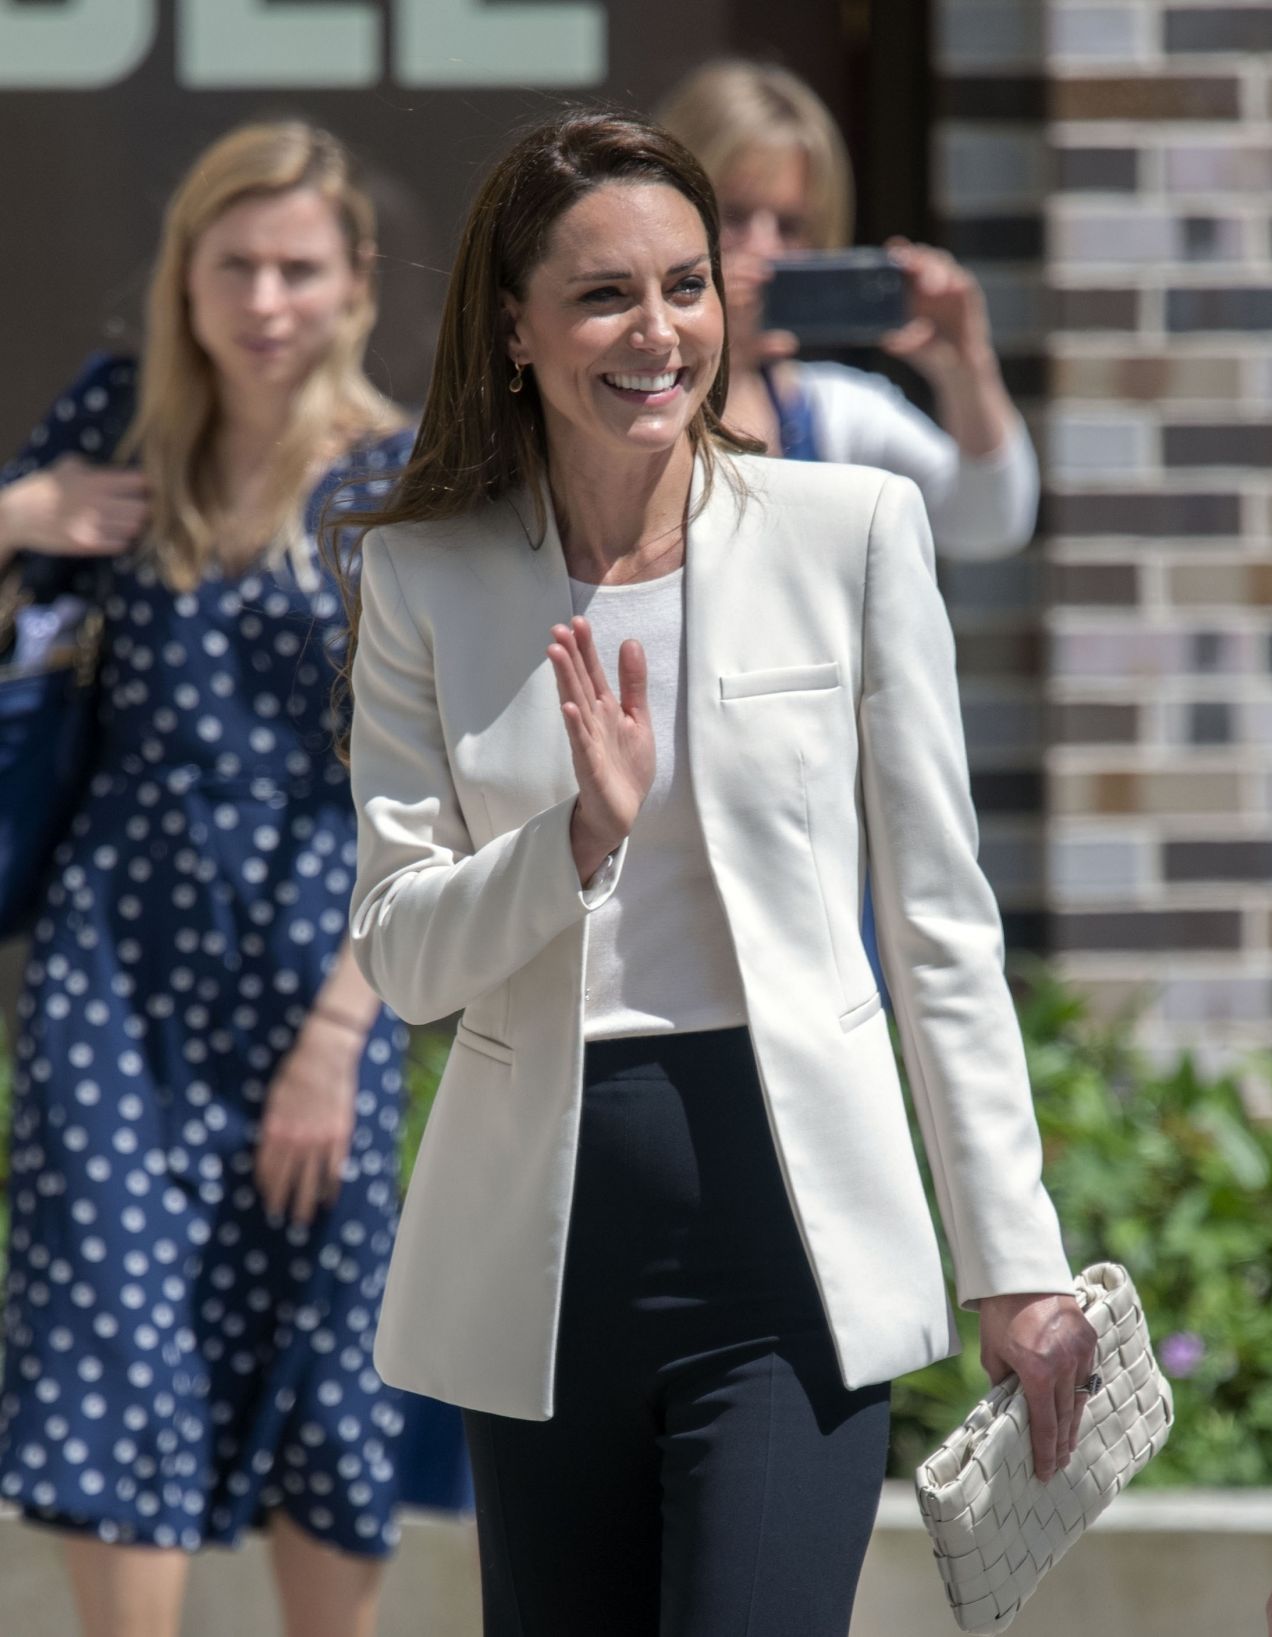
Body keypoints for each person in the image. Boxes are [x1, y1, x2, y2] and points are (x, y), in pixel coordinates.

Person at [341, 110, 1097, 1637]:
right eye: (606, 294)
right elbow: (403, 956)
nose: (661, 331)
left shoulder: (854, 531)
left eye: (687, 285)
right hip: (541, 1247)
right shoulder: (421, 578)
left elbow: (940, 925)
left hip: (790, 1228)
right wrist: (572, 844)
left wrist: (1014, 1260)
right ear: (514, 329)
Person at [0, 122, 427, 1637]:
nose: (263, 300)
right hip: (114, 963)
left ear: (357, 282)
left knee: (322, 1357)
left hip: (324, 964)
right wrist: (20, 518)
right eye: (231, 264)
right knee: (115, 1340)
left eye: (297, 268)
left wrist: (338, 1037)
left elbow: (430, 790)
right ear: (183, 276)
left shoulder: (401, 480)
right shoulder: (119, 425)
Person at [655, 57, 1039, 559]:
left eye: (790, 226)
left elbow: (988, 523)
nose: (765, 248)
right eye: (735, 215)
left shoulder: (835, 410)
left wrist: (967, 369)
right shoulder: (632, 394)